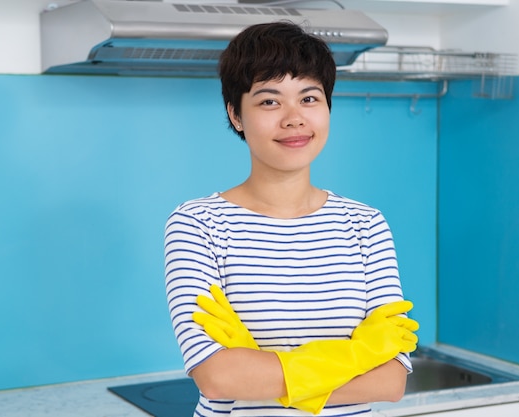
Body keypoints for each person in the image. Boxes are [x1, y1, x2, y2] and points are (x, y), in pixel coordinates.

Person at [164, 21, 418, 417]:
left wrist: (258, 368)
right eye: (269, 101)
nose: (294, 118)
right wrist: (355, 355)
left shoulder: (365, 224)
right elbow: (217, 377)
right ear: (236, 114)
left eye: (310, 98)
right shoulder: (197, 224)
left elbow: (391, 382)